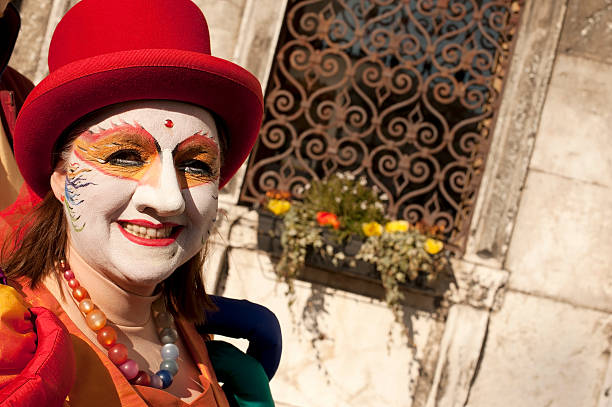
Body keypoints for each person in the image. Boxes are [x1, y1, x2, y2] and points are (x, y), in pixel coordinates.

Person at [0, 0, 280, 406]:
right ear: (60, 179)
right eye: (124, 156)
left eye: (197, 164)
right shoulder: (15, 357)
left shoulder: (195, 337)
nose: (167, 199)